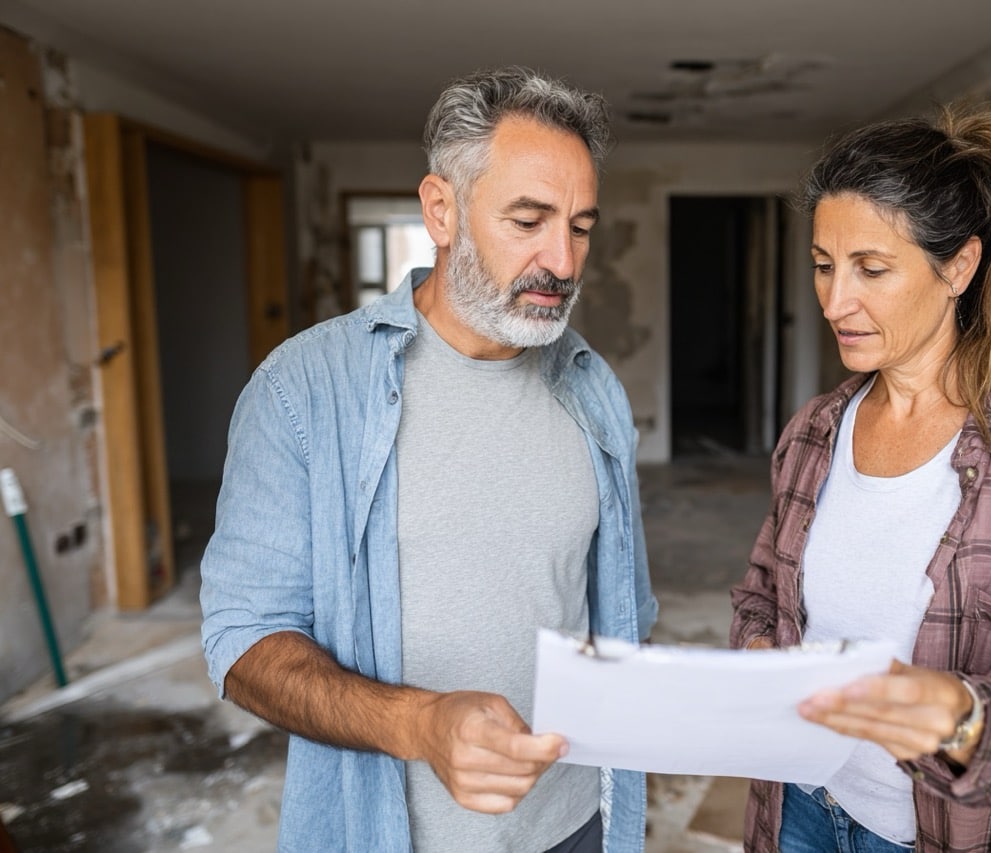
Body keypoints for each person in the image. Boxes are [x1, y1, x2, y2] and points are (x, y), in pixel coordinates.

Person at [200, 66, 657, 853]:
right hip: (391, 834)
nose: (564, 259)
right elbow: (243, 642)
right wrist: (420, 724)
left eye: (580, 226)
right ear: (441, 210)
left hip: (579, 823)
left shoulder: (591, 386)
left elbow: (623, 613)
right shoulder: (304, 391)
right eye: (528, 219)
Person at [729, 107, 991, 852]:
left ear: (958, 266)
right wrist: (760, 651)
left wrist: (961, 713)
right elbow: (762, 592)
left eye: (872, 269)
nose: (834, 301)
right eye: (824, 265)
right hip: (797, 805)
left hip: (946, 830)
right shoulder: (815, 432)